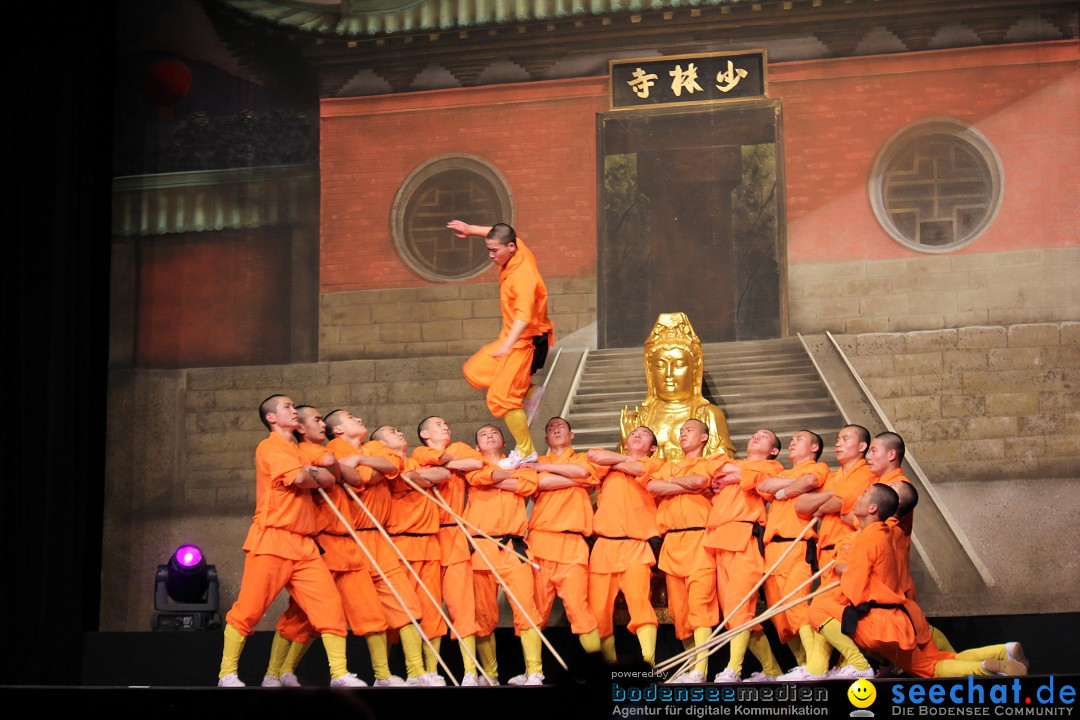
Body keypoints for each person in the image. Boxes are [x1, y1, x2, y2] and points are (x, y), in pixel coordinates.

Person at [216, 395, 364, 687]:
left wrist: (318, 474)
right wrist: (316, 475)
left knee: (329, 607)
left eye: (295, 407)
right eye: (287, 407)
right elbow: (301, 479)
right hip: (273, 537)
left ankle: (339, 674)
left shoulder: (300, 449)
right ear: (271, 418)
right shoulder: (269, 446)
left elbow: (331, 472)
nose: (294, 411)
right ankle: (226, 674)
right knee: (249, 609)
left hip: (305, 543)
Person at [811, 484, 1028, 679]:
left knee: (818, 609)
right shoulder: (887, 532)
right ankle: (1005, 650)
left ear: (872, 509)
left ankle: (982, 668)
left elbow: (856, 592)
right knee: (941, 658)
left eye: (864, 494)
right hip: (905, 616)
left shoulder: (867, 539)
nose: (858, 496)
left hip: (882, 625)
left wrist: (843, 570)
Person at [263, 405, 403, 687]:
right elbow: (339, 474)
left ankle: (382, 676)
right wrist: (341, 467)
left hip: (349, 543)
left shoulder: (329, 452)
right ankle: (274, 673)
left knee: (370, 612)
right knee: (303, 616)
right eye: (316, 420)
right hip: (323, 543)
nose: (322, 425)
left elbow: (355, 477)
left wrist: (350, 464)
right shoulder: (303, 451)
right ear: (301, 427)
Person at [322, 410, 429, 684]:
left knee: (408, 606)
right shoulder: (333, 448)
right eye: (349, 417)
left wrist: (359, 459)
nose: (357, 418)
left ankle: (416, 673)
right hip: (350, 539)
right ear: (337, 430)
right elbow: (365, 478)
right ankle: (277, 672)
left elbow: (393, 465)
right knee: (338, 616)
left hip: (379, 539)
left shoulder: (373, 445)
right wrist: (371, 468)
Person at [448, 220, 554, 469]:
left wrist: (507, 345)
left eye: (494, 251)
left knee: (501, 398)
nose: (491, 255)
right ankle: (528, 392)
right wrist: (471, 229)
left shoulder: (523, 276)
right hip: (509, 338)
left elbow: (523, 317)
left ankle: (527, 452)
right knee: (475, 370)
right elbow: (496, 232)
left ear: (511, 248)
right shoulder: (517, 247)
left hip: (525, 342)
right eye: (489, 249)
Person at [647, 419, 727, 683]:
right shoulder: (669, 464)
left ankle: (700, 670)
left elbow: (701, 479)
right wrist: (683, 483)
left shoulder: (711, 460)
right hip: (671, 543)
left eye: (689, 430)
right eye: (681, 432)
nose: (683, 435)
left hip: (699, 539)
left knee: (699, 606)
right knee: (678, 612)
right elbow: (652, 486)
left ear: (704, 437)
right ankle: (691, 665)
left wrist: (673, 484)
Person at [465, 424, 546, 685]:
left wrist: (499, 474)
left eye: (494, 433)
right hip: (480, 547)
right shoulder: (472, 464)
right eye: (483, 434)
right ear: (477, 446)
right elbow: (477, 478)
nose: (489, 436)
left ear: (504, 442)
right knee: (483, 614)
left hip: (514, 548)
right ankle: (490, 674)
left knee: (526, 609)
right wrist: (507, 476)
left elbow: (527, 485)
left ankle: (534, 671)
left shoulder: (520, 465)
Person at [705, 429, 786, 683]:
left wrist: (734, 476)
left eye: (764, 436)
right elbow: (718, 474)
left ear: (773, 450)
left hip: (745, 539)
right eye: (755, 435)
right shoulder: (735, 463)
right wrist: (734, 476)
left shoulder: (773, 465)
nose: (756, 437)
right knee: (733, 614)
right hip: (719, 540)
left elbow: (756, 481)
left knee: (740, 609)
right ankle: (772, 670)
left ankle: (734, 669)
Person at [380, 425, 458, 685]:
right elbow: (408, 479)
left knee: (432, 610)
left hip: (429, 545)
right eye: (392, 432)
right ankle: (410, 671)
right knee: (404, 612)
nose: (399, 433)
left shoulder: (414, 460)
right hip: (400, 545)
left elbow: (443, 473)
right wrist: (418, 477)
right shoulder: (385, 466)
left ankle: (431, 670)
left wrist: (418, 476)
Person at [411, 416, 487, 685]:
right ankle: (430, 670)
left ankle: (470, 672)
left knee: (462, 604)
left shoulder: (459, 447)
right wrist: (451, 463)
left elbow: (476, 463)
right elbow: (441, 463)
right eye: (438, 424)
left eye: (446, 423)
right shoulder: (420, 451)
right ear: (424, 433)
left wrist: (448, 462)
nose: (445, 426)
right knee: (429, 607)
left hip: (454, 532)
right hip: (427, 536)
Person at [522, 417, 602, 654]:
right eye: (550, 428)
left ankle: (596, 672)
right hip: (540, 540)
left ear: (571, 435)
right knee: (535, 610)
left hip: (573, 542)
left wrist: (542, 469)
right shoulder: (537, 461)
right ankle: (533, 672)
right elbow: (540, 483)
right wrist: (576, 482)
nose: (555, 430)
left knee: (579, 609)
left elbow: (581, 471)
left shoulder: (582, 457)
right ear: (545, 438)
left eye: (560, 427)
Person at [586, 427, 664, 665]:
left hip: (636, 547)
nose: (637, 434)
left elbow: (638, 468)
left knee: (640, 607)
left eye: (644, 434)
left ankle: (648, 664)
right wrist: (622, 461)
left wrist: (618, 461)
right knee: (598, 615)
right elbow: (594, 456)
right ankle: (607, 669)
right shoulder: (606, 466)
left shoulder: (656, 464)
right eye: (634, 433)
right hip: (603, 549)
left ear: (652, 448)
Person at [755, 430, 829, 679]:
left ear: (814, 447)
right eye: (792, 439)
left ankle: (815, 665)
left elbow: (810, 482)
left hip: (795, 544)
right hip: (772, 548)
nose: (793, 442)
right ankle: (803, 663)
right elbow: (764, 486)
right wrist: (791, 484)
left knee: (796, 606)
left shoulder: (817, 467)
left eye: (800, 439)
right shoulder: (784, 472)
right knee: (780, 616)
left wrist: (785, 491)